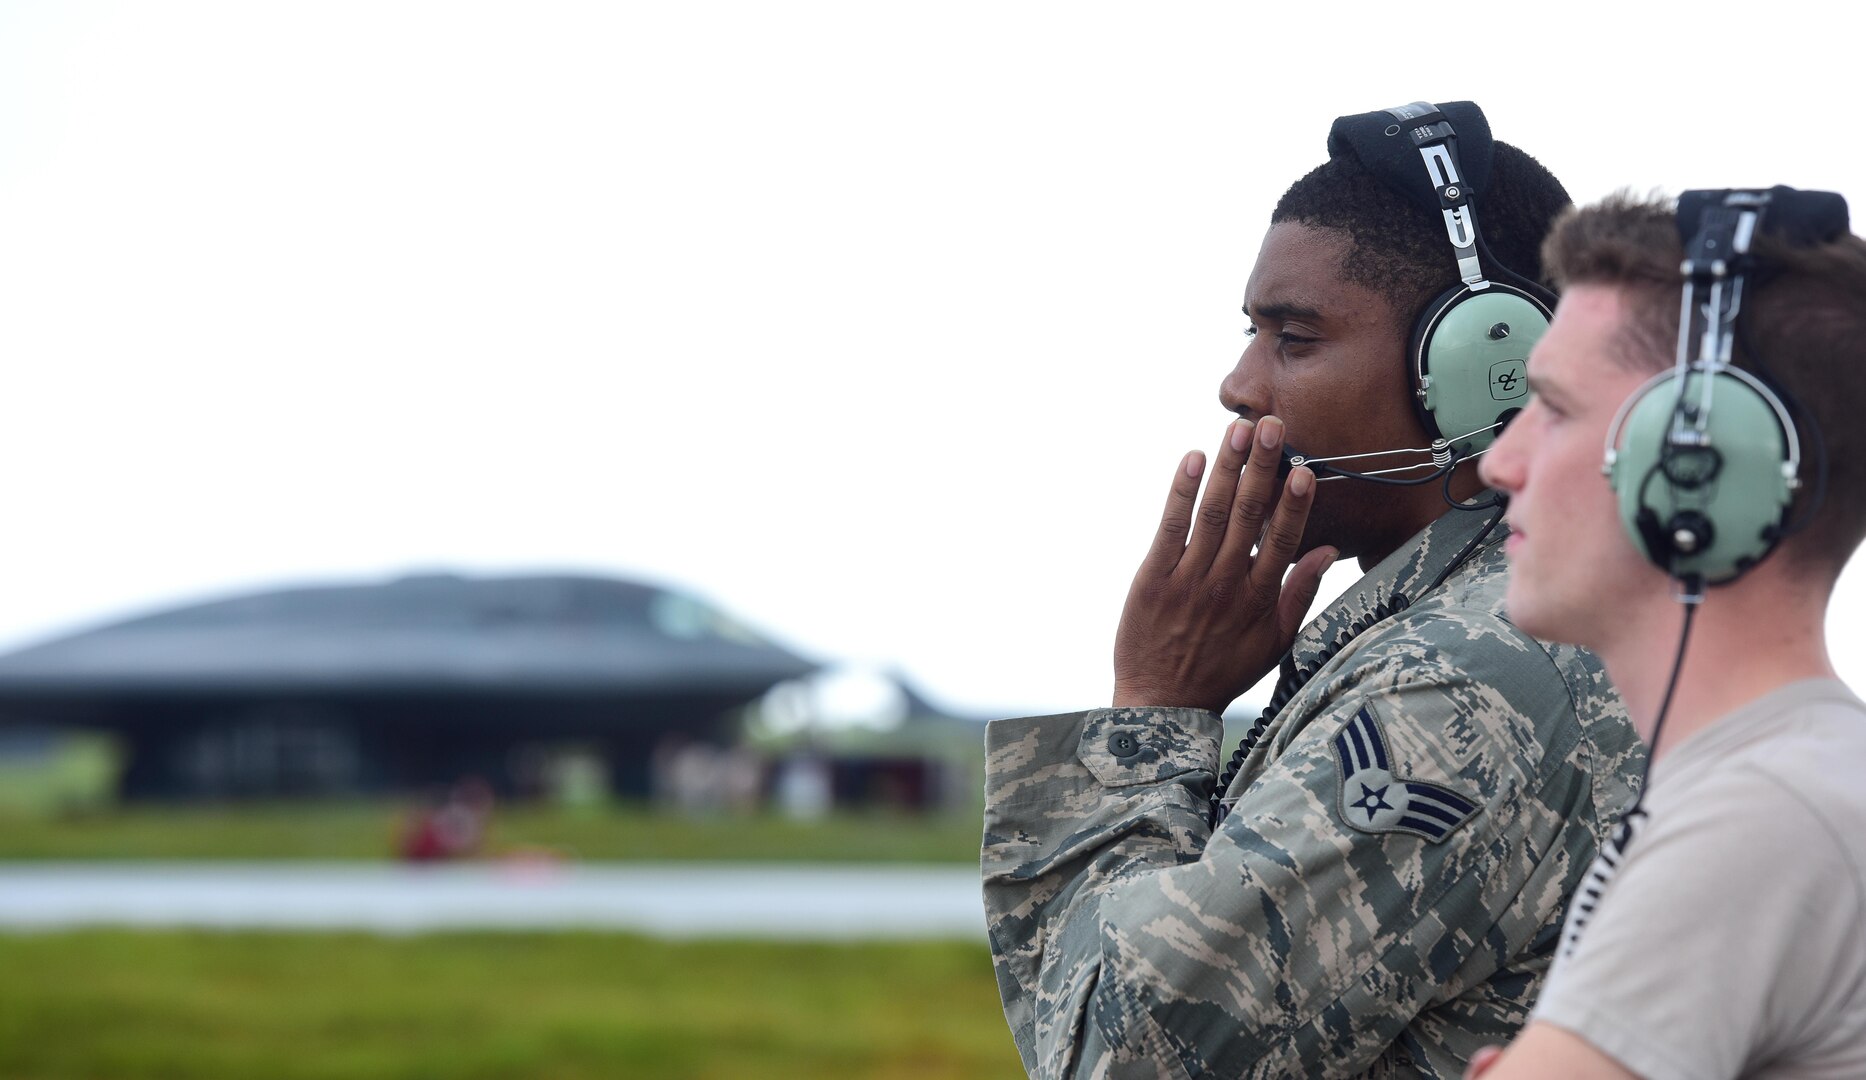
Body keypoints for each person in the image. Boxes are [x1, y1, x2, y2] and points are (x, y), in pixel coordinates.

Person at [981, 101, 1643, 1078]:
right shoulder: (1510, 626)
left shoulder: (1458, 688)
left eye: (1294, 339)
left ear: (1477, 372)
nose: (1239, 385)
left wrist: (1154, 713)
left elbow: (1119, 1060)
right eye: (1251, 334)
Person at [1464, 188, 1866, 1080]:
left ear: (1699, 460)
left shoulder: (1763, 818)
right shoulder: (1793, 781)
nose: (1499, 461)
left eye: (1555, 407)